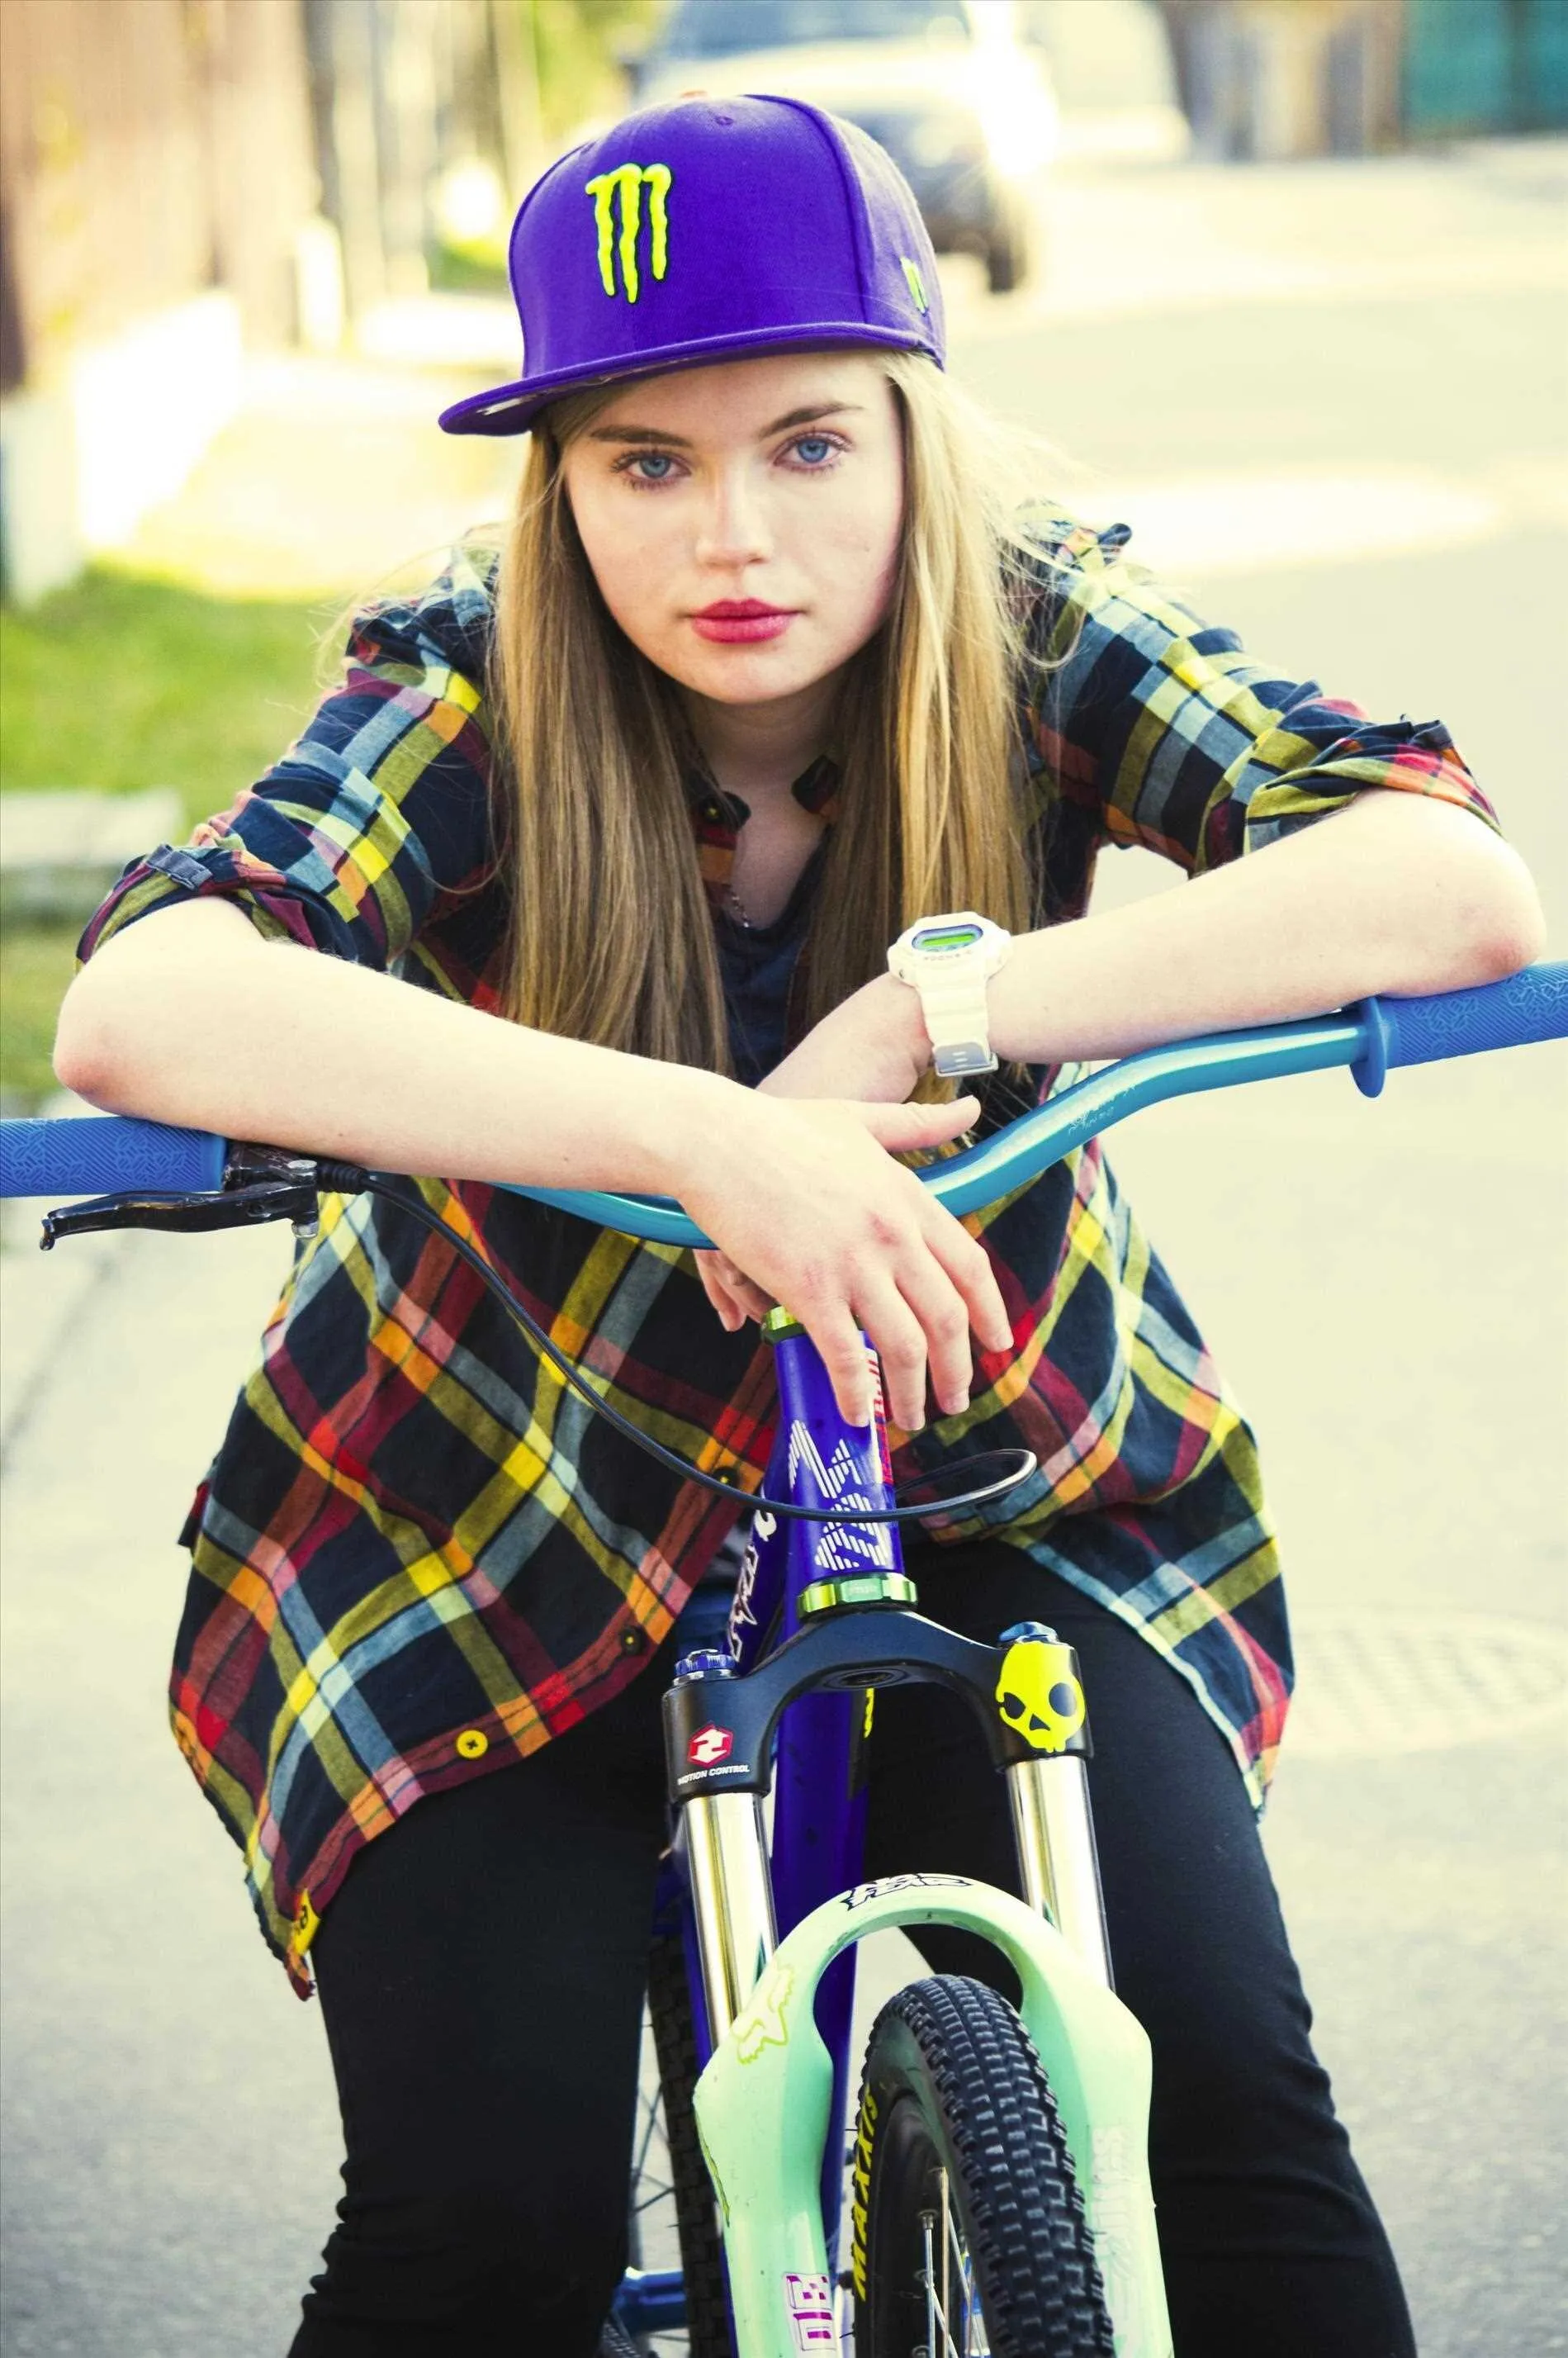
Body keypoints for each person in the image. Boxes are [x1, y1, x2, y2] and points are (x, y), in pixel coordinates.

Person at [56, 97, 1541, 2358]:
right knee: (484, 2215)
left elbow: (1443, 875)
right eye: (644, 461)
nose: (731, 531)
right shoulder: (471, 678)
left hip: (986, 1471)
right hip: (494, 1516)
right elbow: (147, 997)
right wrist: (712, 1140)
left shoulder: (1030, 625)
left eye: (808, 443)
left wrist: (938, 997)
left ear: (913, 432)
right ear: (555, 482)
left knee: (1224, 2105)